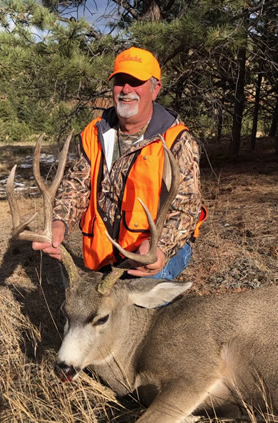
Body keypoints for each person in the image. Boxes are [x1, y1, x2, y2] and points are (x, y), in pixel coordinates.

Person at [33, 47, 205, 280]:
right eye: (120, 81)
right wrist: (59, 223)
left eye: (136, 82)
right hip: (106, 253)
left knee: (138, 307)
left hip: (152, 252)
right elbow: (77, 186)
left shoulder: (176, 142)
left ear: (155, 90)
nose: (126, 89)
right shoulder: (95, 134)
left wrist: (161, 248)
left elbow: (186, 208)